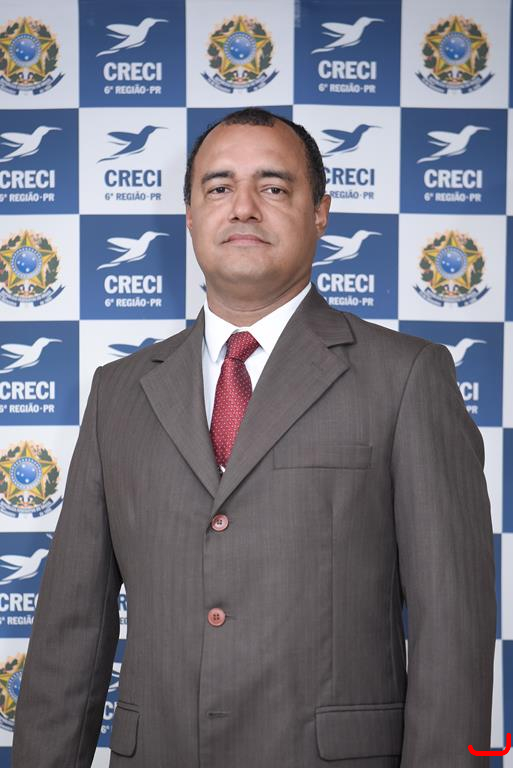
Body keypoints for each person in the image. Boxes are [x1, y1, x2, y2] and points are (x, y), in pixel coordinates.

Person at [12, 108, 496, 768]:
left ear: (319, 212)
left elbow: (452, 629)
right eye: (218, 187)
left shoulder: (408, 377)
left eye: (272, 186)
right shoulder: (118, 392)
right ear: (189, 215)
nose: (242, 206)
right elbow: (71, 630)